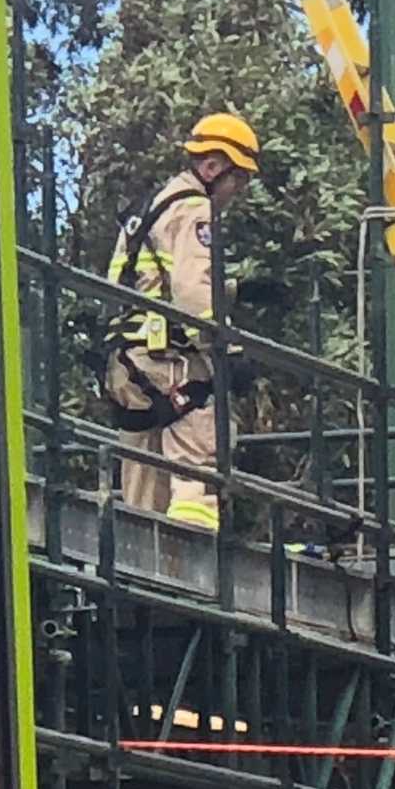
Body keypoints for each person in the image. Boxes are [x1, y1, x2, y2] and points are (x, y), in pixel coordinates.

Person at [100, 112, 260, 533]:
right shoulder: (192, 207)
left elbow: (151, 281)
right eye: (237, 179)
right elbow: (192, 293)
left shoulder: (153, 206)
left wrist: (239, 290)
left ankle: (141, 568)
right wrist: (226, 350)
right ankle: (198, 555)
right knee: (199, 457)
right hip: (169, 361)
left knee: (144, 471)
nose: (237, 191)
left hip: (129, 365)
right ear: (212, 167)